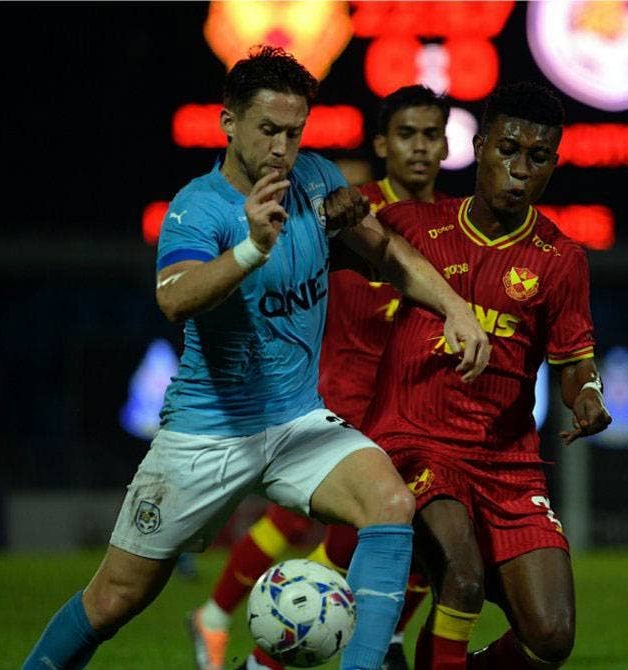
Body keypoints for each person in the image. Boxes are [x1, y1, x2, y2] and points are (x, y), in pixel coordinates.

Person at [22, 48, 489, 670]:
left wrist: (454, 307)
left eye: (294, 132)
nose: (281, 146)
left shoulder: (318, 182)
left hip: (297, 423)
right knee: (113, 601)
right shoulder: (199, 206)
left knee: (390, 502)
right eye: (268, 129)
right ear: (228, 123)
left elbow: (390, 257)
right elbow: (174, 298)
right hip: (205, 435)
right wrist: (250, 248)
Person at [189, 85, 451, 670]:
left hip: (417, 409)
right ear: (383, 143)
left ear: (448, 144)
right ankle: (251, 640)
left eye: (431, 135)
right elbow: (264, 267)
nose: (419, 148)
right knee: (340, 535)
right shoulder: (343, 207)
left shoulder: (451, 223)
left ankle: (369, 640)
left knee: (410, 540)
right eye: (406, 134)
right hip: (343, 399)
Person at [364, 82, 612, 670]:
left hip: (507, 464)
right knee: (463, 576)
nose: (521, 170)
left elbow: (575, 364)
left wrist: (589, 395)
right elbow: (322, 242)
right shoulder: (415, 224)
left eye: (539, 157)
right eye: (508, 149)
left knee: (550, 638)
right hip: (417, 442)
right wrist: (337, 207)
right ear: (478, 145)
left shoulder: (561, 259)